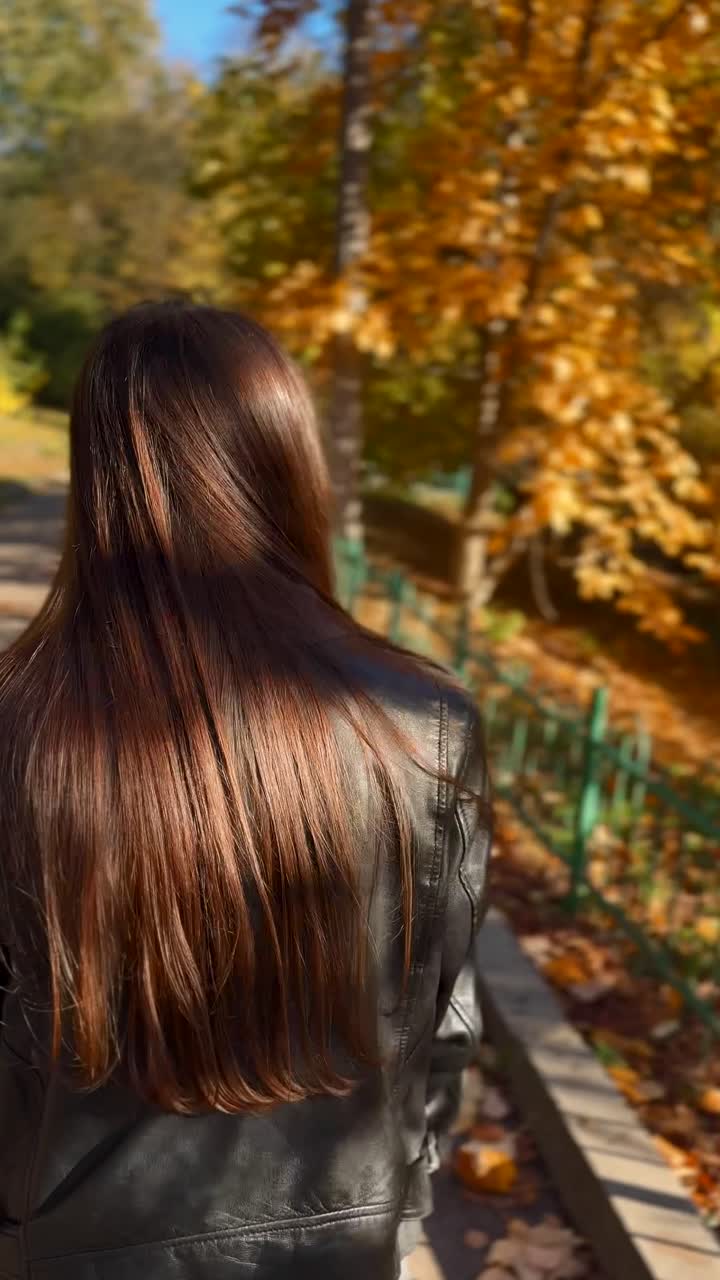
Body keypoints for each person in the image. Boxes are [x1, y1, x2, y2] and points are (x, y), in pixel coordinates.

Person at [0, 302, 491, 1280]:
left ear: (104, 477)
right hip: (341, 1231)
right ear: (285, 456)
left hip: (77, 1239)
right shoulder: (426, 715)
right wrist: (398, 1205)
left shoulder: (24, 719)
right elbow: (444, 1018)